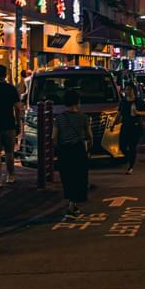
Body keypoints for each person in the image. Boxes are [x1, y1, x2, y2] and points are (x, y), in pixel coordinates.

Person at [56, 89, 92, 217]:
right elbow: (89, 135)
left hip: (64, 150)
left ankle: (72, 203)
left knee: (67, 177)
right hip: (78, 149)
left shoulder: (60, 118)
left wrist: (58, 148)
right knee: (79, 177)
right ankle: (73, 205)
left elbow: (54, 137)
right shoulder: (83, 117)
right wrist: (89, 148)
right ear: (77, 102)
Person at [118, 84, 145, 174]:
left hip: (135, 126)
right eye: (126, 89)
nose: (128, 91)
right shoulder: (123, 101)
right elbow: (119, 113)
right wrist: (114, 123)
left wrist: (137, 112)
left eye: (130, 89)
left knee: (132, 146)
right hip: (125, 125)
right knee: (122, 145)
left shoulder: (139, 101)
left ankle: (130, 167)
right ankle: (128, 158)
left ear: (134, 91)